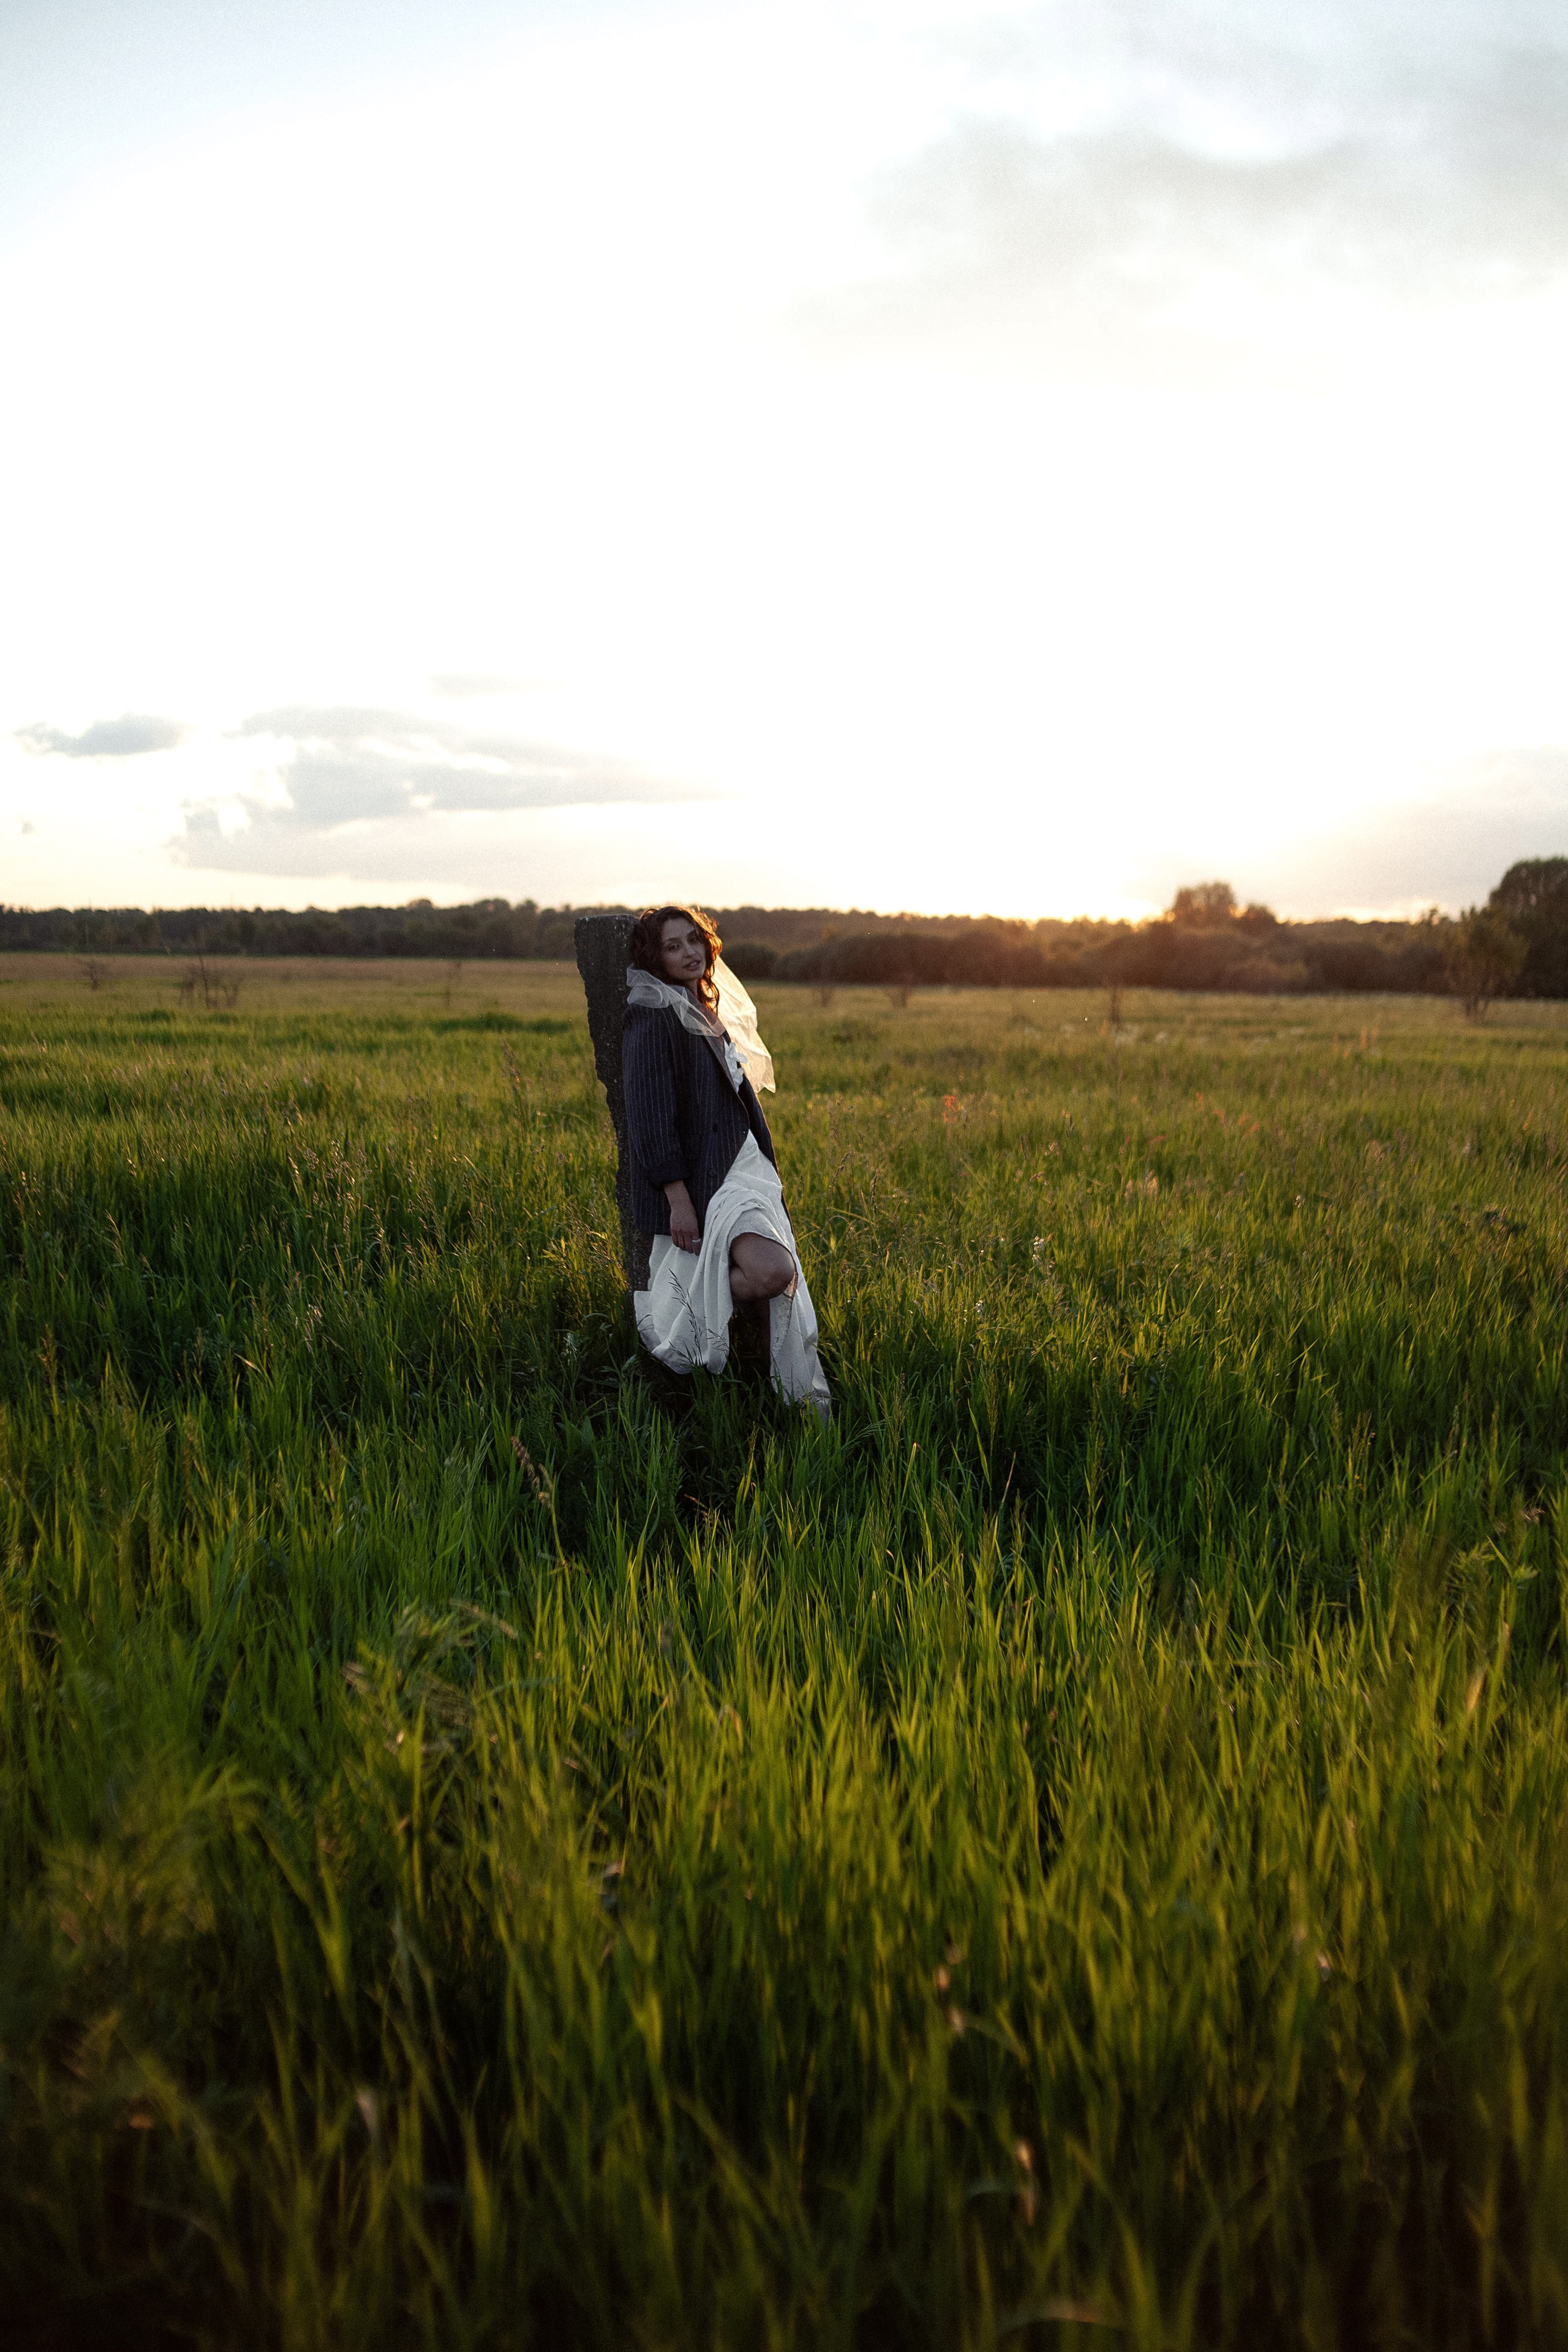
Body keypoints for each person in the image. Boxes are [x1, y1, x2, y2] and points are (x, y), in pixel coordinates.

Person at [622, 905, 830, 1417]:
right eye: (673, 946)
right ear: (656, 956)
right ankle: (685, 1311)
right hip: (711, 1181)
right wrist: (679, 1200)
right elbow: (651, 1117)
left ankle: (776, 1402)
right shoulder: (653, 1016)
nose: (690, 952)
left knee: (776, 1286)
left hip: (750, 1168)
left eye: (694, 939)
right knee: (773, 1273)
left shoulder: (710, 1010)